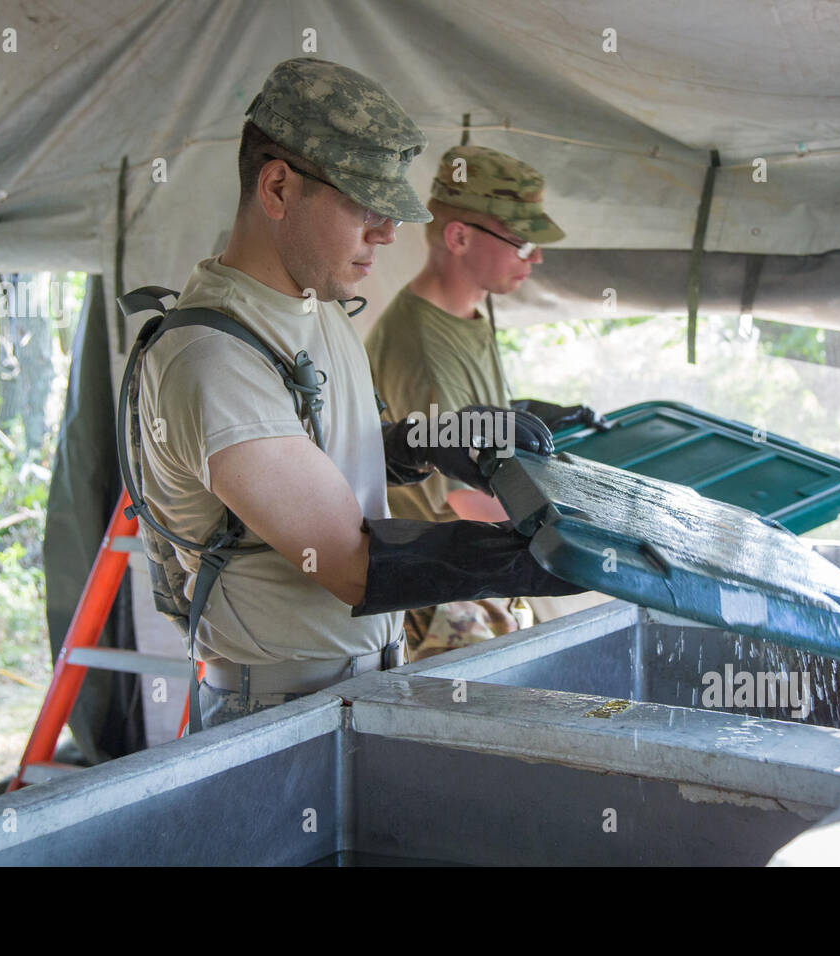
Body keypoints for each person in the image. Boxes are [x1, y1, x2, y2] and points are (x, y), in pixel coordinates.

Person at [128, 59, 580, 728]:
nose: (388, 231)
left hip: (360, 677)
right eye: (364, 204)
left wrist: (433, 440)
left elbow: (339, 454)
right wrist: (556, 559)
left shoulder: (316, 308)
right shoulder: (213, 358)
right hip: (278, 709)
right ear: (278, 186)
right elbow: (352, 561)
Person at [364, 145, 605, 658]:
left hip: (477, 581)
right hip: (446, 603)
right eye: (521, 242)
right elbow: (461, 495)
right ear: (459, 236)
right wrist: (596, 515)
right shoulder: (423, 347)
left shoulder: (465, 316)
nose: (535, 256)